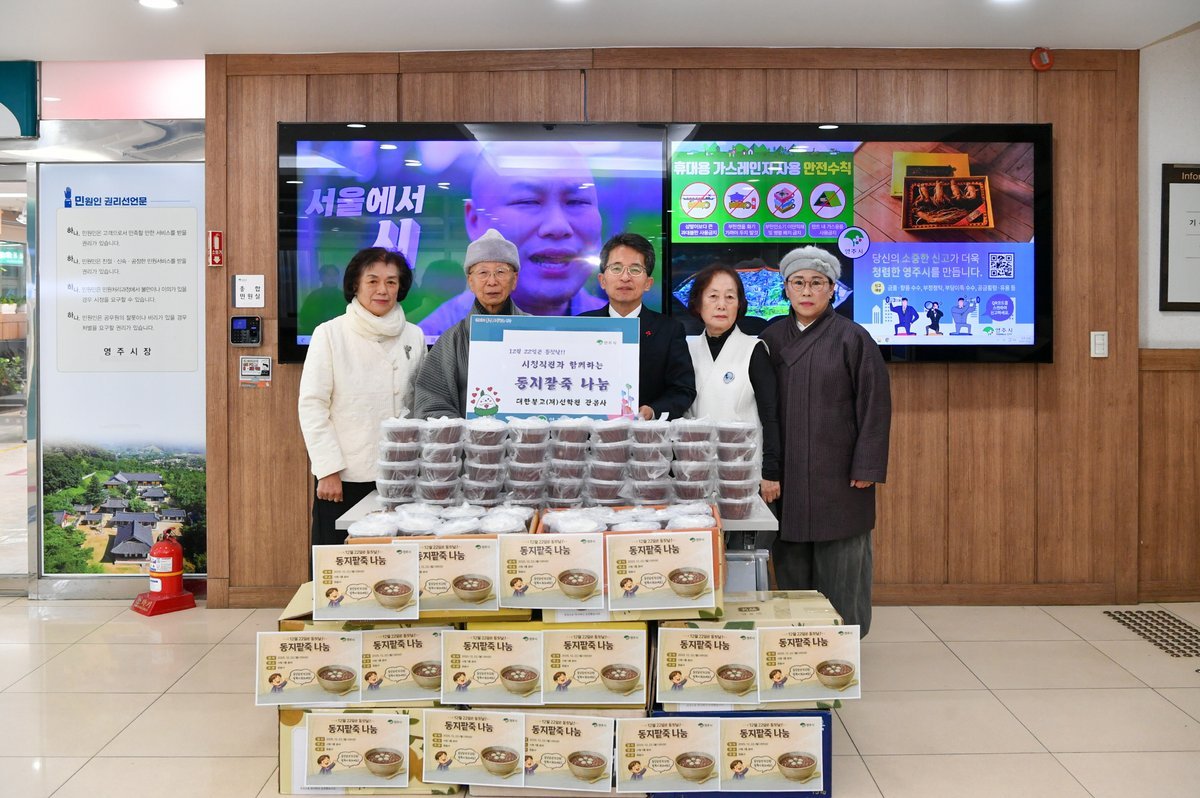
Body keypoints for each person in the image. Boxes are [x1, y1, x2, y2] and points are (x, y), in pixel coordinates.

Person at [761, 245, 891, 637]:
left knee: (843, 561)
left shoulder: (854, 337)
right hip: (787, 472)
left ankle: (845, 641)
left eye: (817, 283)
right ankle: (799, 639)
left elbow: (874, 405)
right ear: (785, 288)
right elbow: (759, 409)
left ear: (832, 289)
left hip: (840, 473)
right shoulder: (770, 338)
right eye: (798, 282)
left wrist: (867, 465)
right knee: (792, 560)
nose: (807, 291)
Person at [298, 247, 426, 546]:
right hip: (345, 475)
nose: (383, 290)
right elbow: (313, 405)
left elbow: (419, 402)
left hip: (400, 474)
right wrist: (328, 470)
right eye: (373, 281)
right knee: (340, 561)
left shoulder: (415, 335)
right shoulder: (329, 334)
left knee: (395, 558)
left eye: (392, 282)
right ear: (355, 285)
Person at [418, 142, 606, 337]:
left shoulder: (618, 329)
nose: (558, 226)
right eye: (528, 201)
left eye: (577, 202)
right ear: (474, 220)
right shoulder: (432, 340)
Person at [684, 264, 781, 503]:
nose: (722, 305)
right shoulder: (685, 350)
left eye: (730, 297)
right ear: (698, 303)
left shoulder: (754, 349)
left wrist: (770, 472)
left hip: (744, 472)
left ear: (739, 304)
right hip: (695, 472)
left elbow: (771, 416)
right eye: (713, 296)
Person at [577, 233, 696, 420]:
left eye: (635, 269)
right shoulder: (581, 326)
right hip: (590, 432)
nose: (625, 277)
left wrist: (653, 411)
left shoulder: (669, 330)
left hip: (647, 434)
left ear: (648, 283)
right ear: (602, 280)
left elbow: (683, 389)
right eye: (616, 268)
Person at [413, 229, 528, 418]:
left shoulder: (535, 332)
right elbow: (431, 404)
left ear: (514, 280)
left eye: (501, 272)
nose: (492, 281)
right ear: (471, 282)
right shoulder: (451, 340)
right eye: (483, 273)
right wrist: (469, 433)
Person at [298, 264, 348, 335]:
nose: (332, 278)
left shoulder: (343, 296)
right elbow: (304, 319)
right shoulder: (314, 297)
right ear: (321, 278)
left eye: (335, 275)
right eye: (328, 275)